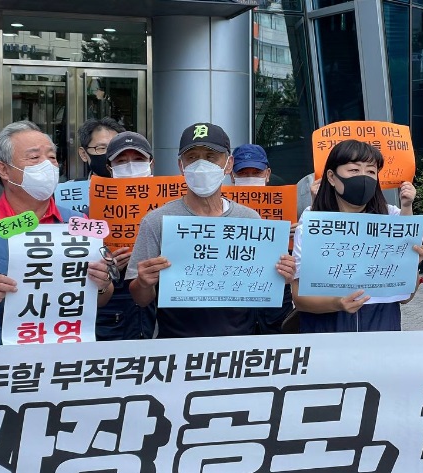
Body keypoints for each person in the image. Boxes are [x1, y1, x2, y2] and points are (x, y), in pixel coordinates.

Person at [126, 122, 296, 338]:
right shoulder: (157, 221)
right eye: (192, 157)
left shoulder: (249, 219)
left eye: (210, 156)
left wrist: (282, 276)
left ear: (228, 164)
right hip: (175, 344)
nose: (201, 165)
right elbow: (140, 299)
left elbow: (262, 289)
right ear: (181, 165)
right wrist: (143, 282)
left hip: (238, 343)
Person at [0, 121, 115, 344]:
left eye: (51, 157)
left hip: (67, 348)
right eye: (34, 158)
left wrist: (103, 284)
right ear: (4, 169)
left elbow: (102, 298)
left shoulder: (78, 223)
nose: (47, 165)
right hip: (4, 350)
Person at [291, 139, 423, 332]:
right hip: (326, 333)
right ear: (331, 177)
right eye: (354, 170)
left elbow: (405, 297)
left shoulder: (391, 219)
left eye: (370, 172)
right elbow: (300, 298)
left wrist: (411, 265)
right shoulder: (311, 225)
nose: (363, 178)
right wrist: (337, 303)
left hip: (381, 330)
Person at [93, 131, 156, 340]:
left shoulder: (170, 210)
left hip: (158, 314)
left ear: (151, 163)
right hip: (113, 316)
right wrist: (109, 268)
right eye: (121, 161)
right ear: (110, 168)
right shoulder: (93, 213)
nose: (130, 166)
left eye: (138, 159)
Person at [229, 143, 293, 334]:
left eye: (256, 172)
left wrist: (295, 235)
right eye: (243, 173)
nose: (250, 177)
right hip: (235, 293)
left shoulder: (288, 206)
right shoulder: (219, 209)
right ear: (232, 175)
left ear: (267, 173)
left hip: (276, 292)